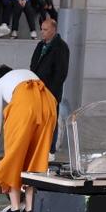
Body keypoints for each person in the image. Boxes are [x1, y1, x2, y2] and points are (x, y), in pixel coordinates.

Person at [0, 66, 57, 212]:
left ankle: (15, 208)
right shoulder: (25, 74)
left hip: (25, 105)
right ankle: (30, 208)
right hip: (49, 104)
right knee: (35, 157)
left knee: (14, 157)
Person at [30, 17, 70, 154]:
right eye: (41, 29)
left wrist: (48, 92)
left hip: (50, 92)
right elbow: (33, 66)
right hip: (37, 91)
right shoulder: (41, 45)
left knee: (50, 122)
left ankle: (50, 150)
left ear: (54, 30)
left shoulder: (61, 47)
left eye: (45, 30)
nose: (42, 32)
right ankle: (38, 148)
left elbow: (61, 74)